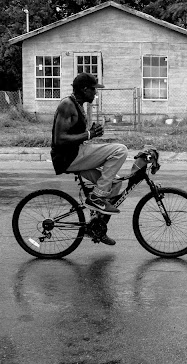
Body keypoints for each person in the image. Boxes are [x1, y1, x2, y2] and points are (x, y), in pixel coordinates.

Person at [50, 72, 128, 246]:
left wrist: (89, 134)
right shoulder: (67, 105)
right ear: (84, 89)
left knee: (115, 183)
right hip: (69, 157)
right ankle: (97, 197)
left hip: (77, 153)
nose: (95, 93)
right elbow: (59, 139)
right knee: (120, 150)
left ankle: (95, 227)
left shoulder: (78, 105)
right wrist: (89, 134)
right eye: (93, 90)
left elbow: (76, 134)